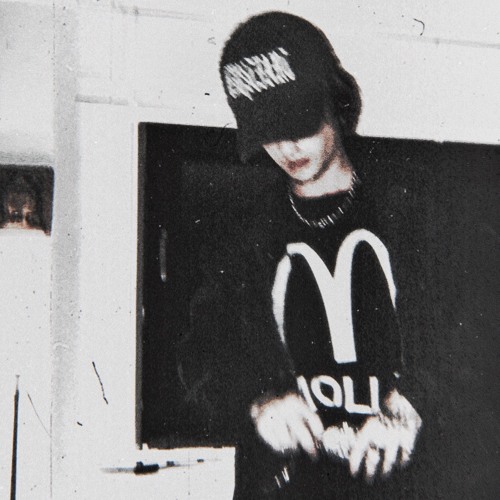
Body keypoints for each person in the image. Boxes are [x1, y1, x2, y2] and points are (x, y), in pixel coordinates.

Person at [179, 11, 422, 499]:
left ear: (337, 98)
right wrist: (260, 400)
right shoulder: (245, 238)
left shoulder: (414, 215)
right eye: (266, 130)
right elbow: (199, 357)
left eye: (298, 122)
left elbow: (474, 344)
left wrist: (417, 400)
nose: (286, 145)